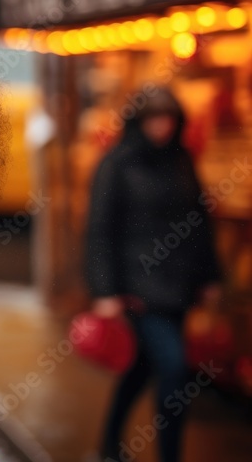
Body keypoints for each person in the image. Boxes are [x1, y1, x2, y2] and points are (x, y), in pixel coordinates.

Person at [85, 88, 222, 462]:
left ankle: (109, 444)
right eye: (153, 119)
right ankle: (170, 455)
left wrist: (210, 276)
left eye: (169, 119)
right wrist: (105, 290)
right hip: (138, 288)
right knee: (176, 369)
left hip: (180, 286)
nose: (161, 127)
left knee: (143, 367)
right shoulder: (116, 163)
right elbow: (100, 229)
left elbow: (199, 222)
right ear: (138, 121)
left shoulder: (182, 161)